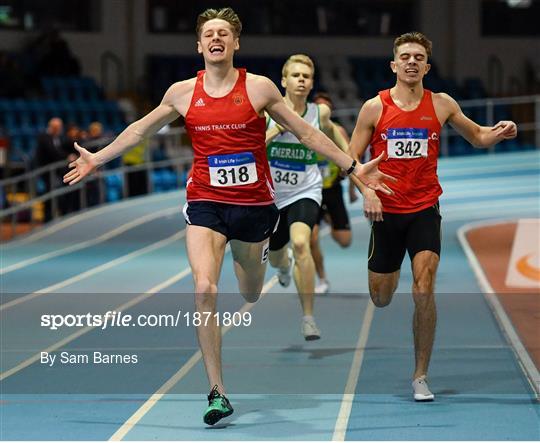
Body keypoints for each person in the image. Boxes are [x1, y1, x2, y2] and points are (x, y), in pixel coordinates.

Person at [64, 7, 395, 426]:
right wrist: (99, 157)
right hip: (204, 202)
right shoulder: (182, 92)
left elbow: (307, 132)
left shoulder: (259, 88)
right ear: (199, 45)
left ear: (236, 43)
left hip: (254, 207)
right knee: (204, 288)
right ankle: (217, 391)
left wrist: (352, 167)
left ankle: (262, 263)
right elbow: (140, 130)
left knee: (251, 291)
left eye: (224, 33)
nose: (216, 38)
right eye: (209, 33)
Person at [349, 31, 517, 402]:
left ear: (427, 65)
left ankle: (420, 376)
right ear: (393, 65)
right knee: (382, 295)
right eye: (405, 56)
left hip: (425, 208)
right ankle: (383, 281)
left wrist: (500, 132)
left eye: (418, 57)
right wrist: (369, 191)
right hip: (386, 214)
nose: (411, 62)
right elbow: (351, 164)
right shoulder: (373, 108)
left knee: (424, 287)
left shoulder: (441, 104)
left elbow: (477, 137)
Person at [265, 56, 350, 340]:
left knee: (302, 243)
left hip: (306, 189)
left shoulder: (319, 113)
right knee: (276, 256)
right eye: (296, 75)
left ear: (312, 83)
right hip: (272, 196)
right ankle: (282, 265)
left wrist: (350, 162)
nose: (301, 80)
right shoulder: (266, 113)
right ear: (283, 81)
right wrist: (276, 130)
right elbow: (253, 145)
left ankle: (308, 318)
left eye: (306, 76)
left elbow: (335, 135)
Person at [309, 92, 358, 294]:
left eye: (326, 108)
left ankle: (328, 216)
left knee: (345, 241)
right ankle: (322, 279)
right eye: (319, 107)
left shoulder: (337, 131)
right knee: (310, 239)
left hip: (333, 189)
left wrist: (353, 191)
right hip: (310, 190)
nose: (323, 111)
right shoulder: (304, 128)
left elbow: (351, 160)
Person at [36, 117, 76, 221]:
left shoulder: (58, 138)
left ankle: (62, 215)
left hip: (56, 172)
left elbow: (65, 147)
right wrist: (67, 157)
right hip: (46, 173)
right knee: (49, 197)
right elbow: (53, 152)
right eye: (58, 127)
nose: (60, 129)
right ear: (53, 127)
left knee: (61, 195)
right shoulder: (44, 137)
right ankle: (47, 219)